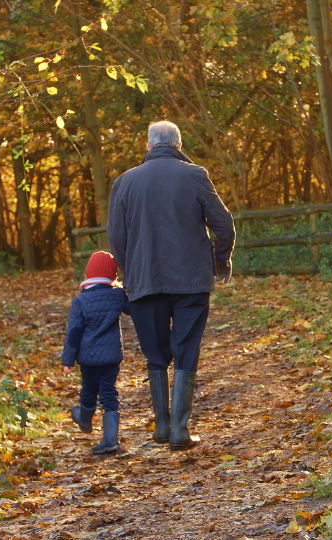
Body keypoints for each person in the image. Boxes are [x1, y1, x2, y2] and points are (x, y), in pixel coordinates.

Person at [107, 120, 235, 451]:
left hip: (144, 280)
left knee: (155, 353)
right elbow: (224, 225)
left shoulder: (124, 182)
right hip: (191, 280)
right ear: (179, 145)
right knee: (186, 348)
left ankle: (162, 426)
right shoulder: (195, 175)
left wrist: (130, 269)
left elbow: (116, 237)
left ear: (148, 147)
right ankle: (180, 429)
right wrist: (220, 263)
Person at [61, 251, 130, 454]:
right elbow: (134, 309)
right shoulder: (118, 295)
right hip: (112, 357)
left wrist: (68, 359)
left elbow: (74, 333)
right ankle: (110, 440)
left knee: (89, 390)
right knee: (109, 392)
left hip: (88, 358)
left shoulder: (80, 301)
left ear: (88, 273)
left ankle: (84, 420)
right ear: (113, 274)